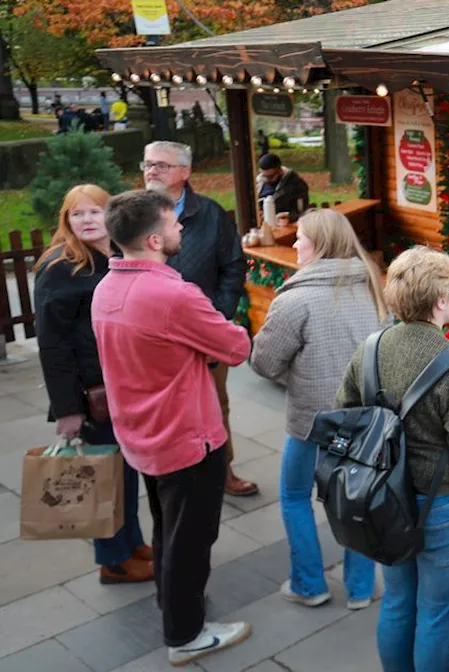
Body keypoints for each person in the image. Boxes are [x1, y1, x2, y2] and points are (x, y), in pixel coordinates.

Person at [93, 189, 253, 666]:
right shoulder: (172, 293)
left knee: (168, 528)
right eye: (174, 222)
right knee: (191, 541)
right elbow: (237, 346)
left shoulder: (107, 286)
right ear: (155, 238)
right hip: (186, 437)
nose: (181, 227)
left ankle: (172, 601)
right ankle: (186, 634)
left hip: (141, 435)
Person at [335, 246, 449, 671]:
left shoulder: (370, 350)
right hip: (445, 506)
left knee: (397, 601)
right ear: (440, 301)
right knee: (438, 612)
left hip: (384, 502)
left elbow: (346, 414)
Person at [249, 209, 387, 610]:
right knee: (355, 500)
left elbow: (264, 364)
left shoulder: (296, 298)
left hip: (313, 422)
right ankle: (361, 589)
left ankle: (310, 585)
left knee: (294, 496)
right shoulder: (375, 288)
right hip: (364, 421)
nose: (294, 244)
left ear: (320, 244)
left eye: (301, 238)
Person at [34, 184, 152, 586]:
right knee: (105, 477)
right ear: (66, 220)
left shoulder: (116, 256)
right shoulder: (60, 267)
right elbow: (52, 345)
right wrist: (67, 409)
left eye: (94, 212)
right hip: (92, 395)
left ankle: (132, 541)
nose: (85, 221)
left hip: (125, 385)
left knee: (126, 473)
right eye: (76, 214)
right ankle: (113, 562)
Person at [142, 140, 256, 497]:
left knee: (213, 403)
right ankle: (167, 473)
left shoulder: (210, 214)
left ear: (185, 172)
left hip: (202, 332)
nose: (151, 171)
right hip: (150, 335)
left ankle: (223, 470)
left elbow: (233, 266)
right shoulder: (131, 215)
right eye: (147, 164)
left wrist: (216, 315)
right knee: (159, 405)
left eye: (162, 165)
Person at [256, 152, 311, 223]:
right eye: (264, 176)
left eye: (270, 177)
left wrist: (289, 216)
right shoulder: (260, 182)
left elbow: (302, 212)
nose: (267, 179)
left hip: (287, 225)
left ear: (280, 170)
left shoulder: (297, 185)